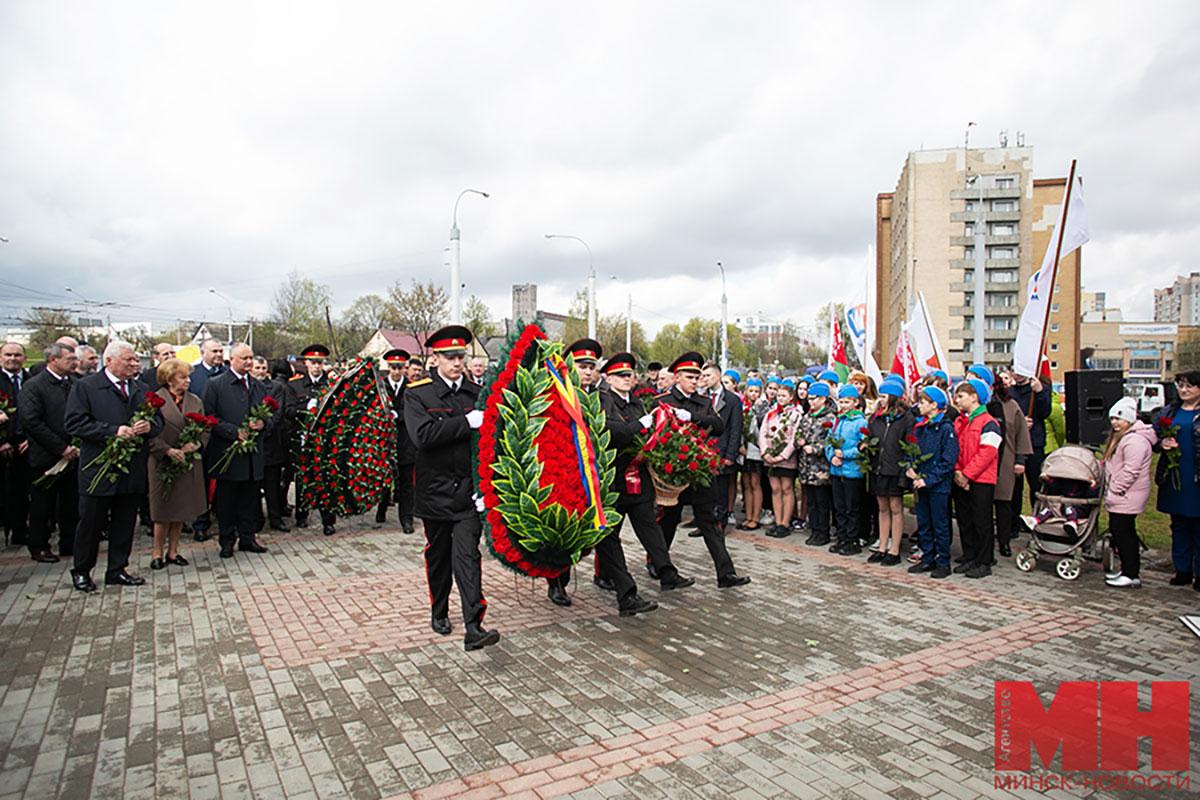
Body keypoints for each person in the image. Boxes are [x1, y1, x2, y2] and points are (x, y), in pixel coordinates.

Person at [405, 325, 500, 651]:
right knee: (439, 557)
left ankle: (474, 625)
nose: (457, 362)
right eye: (450, 357)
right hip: (435, 493)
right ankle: (439, 609)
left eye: (461, 355)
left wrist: (485, 485)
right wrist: (465, 423)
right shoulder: (418, 393)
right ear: (436, 358)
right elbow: (423, 437)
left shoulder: (475, 393)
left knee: (468, 557)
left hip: (468, 495)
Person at [65, 340, 163, 591]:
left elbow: (158, 421)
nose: (134, 364)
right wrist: (112, 431)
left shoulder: (141, 389)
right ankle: (82, 571)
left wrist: (149, 427)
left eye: (135, 360)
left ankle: (117, 569)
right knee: (91, 522)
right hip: (99, 468)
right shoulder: (86, 387)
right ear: (109, 361)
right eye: (128, 360)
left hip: (131, 468)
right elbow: (75, 423)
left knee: (125, 520)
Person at [600, 352, 694, 596]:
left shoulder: (637, 403)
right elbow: (610, 432)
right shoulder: (602, 401)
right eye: (619, 375)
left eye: (629, 374)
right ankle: (607, 577)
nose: (625, 378)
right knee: (610, 535)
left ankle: (666, 572)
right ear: (608, 379)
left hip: (639, 477)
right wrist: (638, 426)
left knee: (650, 528)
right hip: (614, 478)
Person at [655, 352, 751, 588]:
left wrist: (693, 417)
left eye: (698, 377)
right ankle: (659, 565)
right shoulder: (665, 400)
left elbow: (718, 427)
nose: (695, 381)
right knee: (668, 522)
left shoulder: (704, 402)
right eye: (690, 376)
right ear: (677, 377)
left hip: (700, 472)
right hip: (675, 474)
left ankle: (725, 574)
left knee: (709, 522)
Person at [547, 338, 605, 605]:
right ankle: (557, 582)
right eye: (582, 366)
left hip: (592, 474)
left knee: (586, 528)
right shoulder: (557, 392)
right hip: (563, 470)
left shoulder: (598, 396)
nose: (588, 372)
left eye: (592, 367)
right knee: (563, 526)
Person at [204, 343, 274, 559]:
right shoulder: (216, 385)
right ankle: (226, 540)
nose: (249, 362)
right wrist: (233, 432)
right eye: (244, 358)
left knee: (250, 499)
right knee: (227, 501)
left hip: (253, 455)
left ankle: (248, 537)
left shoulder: (258, 386)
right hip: (228, 454)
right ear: (231, 359)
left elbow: (270, 417)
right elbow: (209, 417)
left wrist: (263, 424)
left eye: (251, 358)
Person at [19, 342, 80, 561]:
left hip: (74, 455)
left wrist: (76, 445)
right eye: (69, 359)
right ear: (53, 360)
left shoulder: (75, 384)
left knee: (71, 502)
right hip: (46, 457)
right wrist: (60, 447)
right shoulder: (34, 386)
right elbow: (31, 421)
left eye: (74, 359)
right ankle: (39, 545)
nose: (74, 363)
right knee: (42, 505)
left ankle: (70, 542)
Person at [147, 358, 209, 569]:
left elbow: (205, 428)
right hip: (163, 460)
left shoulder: (195, 401)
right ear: (169, 379)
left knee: (181, 509)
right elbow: (147, 433)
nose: (188, 381)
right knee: (163, 511)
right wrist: (167, 450)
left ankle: (174, 552)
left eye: (188, 376)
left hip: (187, 461)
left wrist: (197, 444)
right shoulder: (155, 400)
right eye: (183, 377)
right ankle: (157, 552)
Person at [1152, 370, 1200, 591]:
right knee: (1179, 523)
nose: (1183, 390)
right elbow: (1153, 440)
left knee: (1197, 525)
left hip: (1195, 475)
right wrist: (1162, 444)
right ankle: (1182, 569)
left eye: (1189, 386)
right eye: (1180, 385)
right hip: (1174, 474)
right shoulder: (1170, 411)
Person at [906, 386, 959, 579]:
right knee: (924, 522)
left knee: (940, 523)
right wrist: (911, 467)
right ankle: (927, 557)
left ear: (934, 405)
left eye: (922, 402)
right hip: (920, 483)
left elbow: (948, 460)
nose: (919, 406)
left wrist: (928, 479)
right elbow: (912, 449)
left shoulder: (945, 429)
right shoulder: (921, 427)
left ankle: (942, 561)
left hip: (937, 485)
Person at [1102, 397, 1155, 588]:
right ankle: (1127, 570)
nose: (1115, 423)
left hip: (1126, 494)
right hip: (1123, 494)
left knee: (1123, 532)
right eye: (1113, 418)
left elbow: (1130, 471)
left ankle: (1131, 573)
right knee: (1121, 531)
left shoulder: (1135, 441)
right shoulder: (1123, 437)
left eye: (1119, 418)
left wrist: (1115, 489)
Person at [951, 379, 1001, 579]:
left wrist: (967, 474)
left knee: (982, 521)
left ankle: (984, 560)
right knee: (965, 519)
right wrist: (957, 470)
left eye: (961, 396)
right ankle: (970, 555)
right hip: (961, 476)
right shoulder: (961, 421)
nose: (957, 400)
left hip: (981, 480)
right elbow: (956, 448)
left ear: (974, 398)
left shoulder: (989, 422)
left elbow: (987, 453)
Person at [286, 344, 338, 535]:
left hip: (326, 441)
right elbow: (288, 411)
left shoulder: (331, 385)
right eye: (313, 362)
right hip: (303, 438)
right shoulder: (295, 384)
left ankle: (328, 520)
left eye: (320, 363)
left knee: (327, 480)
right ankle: (302, 514)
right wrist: (306, 408)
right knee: (303, 478)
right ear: (306, 363)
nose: (316, 366)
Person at [867, 379, 914, 566]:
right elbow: (871, 438)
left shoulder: (906, 419)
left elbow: (909, 445)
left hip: (894, 470)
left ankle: (894, 549)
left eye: (884, 396)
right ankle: (882, 546)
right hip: (878, 468)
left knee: (895, 508)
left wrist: (905, 468)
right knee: (882, 508)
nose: (881, 400)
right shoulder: (876, 418)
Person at [987, 371, 1033, 559]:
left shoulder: (1010, 405)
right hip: (983, 462)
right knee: (983, 505)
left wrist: (1020, 460)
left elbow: (1021, 433)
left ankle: (1004, 541)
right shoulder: (978, 406)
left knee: (1004, 502)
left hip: (1005, 458)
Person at [188, 338, 226, 542]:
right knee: (200, 482)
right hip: (201, 436)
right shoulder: (193, 375)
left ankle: (223, 518)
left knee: (222, 481)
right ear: (203, 353)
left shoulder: (226, 374)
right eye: (214, 351)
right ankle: (200, 523)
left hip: (223, 435)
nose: (219, 354)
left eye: (221, 350)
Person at [376, 349, 416, 534]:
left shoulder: (411, 388)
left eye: (400, 367)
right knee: (385, 479)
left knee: (406, 484)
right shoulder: (380, 387)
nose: (397, 371)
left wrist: (396, 415)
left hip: (405, 441)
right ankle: (382, 508)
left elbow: (411, 413)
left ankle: (406, 519)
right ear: (388, 367)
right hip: (385, 441)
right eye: (393, 367)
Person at [826, 384, 868, 555]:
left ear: (855, 402)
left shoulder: (860, 422)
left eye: (847, 401)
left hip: (852, 471)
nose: (843, 405)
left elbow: (864, 446)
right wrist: (832, 456)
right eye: (841, 401)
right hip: (837, 470)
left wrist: (845, 454)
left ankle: (853, 540)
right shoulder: (837, 421)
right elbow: (829, 441)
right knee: (839, 507)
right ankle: (842, 538)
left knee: (852, 508)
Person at [701, 362, 742, 532]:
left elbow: (735, 428)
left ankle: (721, 523)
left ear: (718, 376)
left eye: (708, 376)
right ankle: (704, 523)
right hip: (703, 450)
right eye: (703, 376)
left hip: (722, 450)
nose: (704, 379)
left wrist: (730, 455)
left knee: (721, 490)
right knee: (704, 490)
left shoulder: (732, 400)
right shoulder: (702, 398)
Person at [759, 378, 800, 537]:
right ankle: (777, 520)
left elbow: (794, 438)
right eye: (779, 396)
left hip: (786, 459)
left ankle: (785, 522)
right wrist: (765, 453)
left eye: (784, 396)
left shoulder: (795, 415)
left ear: (790, 397)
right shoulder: (771, 414)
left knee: (787, 488)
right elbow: (763, 433)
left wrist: (782, 456)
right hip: (770, 457)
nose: (780, 398)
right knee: (775, 489)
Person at [0, 341, 31, 547]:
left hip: (26, 444)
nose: (13, 358)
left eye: (17, 355)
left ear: (24, 358)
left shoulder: (31, 380)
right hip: (2, 446)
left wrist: (31, 439)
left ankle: (20, 532)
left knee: (22, 492)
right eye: (8, 355)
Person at [798, 382, 834, 547]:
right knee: (811, 501)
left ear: (824, 399)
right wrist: (799, 442)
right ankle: (814, 530)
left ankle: (823, 532)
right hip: (807, 467)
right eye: (810, 398)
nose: (811, 402)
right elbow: (800, 433)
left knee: (822, 502)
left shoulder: (830, 418)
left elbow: (831, 441)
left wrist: (816, 449)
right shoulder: (807, 417)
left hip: (821, 468)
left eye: (815, 398)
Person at [260, 359, 291, 532]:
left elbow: (278, 414)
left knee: (272, 485)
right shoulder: (248, 387)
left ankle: (275, 517)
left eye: (263, 368)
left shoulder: (276, 388)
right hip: (251, 445)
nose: (260, 371)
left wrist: (264, 426)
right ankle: (256, 519)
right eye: (257, 367)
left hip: (271, 443)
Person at [737, 378, 765, 531]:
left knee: (755, 483)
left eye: (756, 391)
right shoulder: (743, 407)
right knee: (746, 484)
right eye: (751, 391)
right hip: (743, 450)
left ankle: (755, 517)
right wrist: (740, 445)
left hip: (755, 449)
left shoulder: (762, 408)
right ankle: (748, 516)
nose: (753, 394)